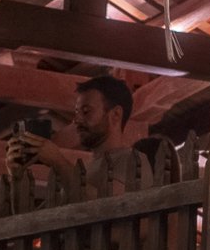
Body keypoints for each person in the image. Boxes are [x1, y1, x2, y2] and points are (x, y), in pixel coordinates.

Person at [14, 74, 142, 192]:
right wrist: (16, 175)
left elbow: (111, 206)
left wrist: (58, 162)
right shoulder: (85, 169)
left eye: (86, 111)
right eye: (77, 113)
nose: (76, 120)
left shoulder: (133, 160)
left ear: (115, 114)